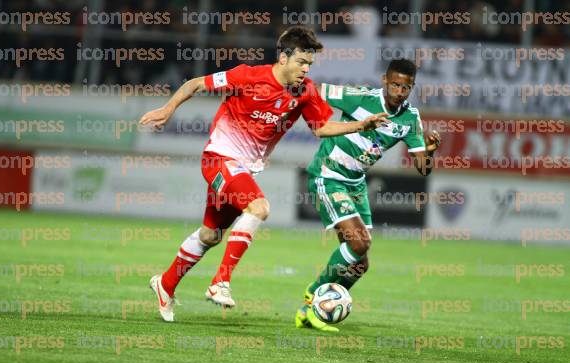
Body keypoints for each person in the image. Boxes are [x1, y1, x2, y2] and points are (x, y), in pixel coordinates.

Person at [139, 26, 388, 322]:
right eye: (301, 62)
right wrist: (168, 110)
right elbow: (195, 84)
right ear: (283, 58)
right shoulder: (248, 76)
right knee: (259, 208)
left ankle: (165, 285)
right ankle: (220, 282)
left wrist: (361, 125)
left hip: (244, 168)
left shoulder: (305, 92)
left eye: (309, 64)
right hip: (219, 157)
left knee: (210, 234)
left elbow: (322, 128)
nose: (306, 69)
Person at [295, 58, 441, 332]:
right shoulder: (359, 98)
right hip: (328, 175)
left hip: (356, 184)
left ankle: (310, 312)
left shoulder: (410, 119)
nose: (400, 91)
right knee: (359, 243)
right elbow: (312, 89)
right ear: (385, 81)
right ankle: (314, 294)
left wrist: (430, 152)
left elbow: (423, 168)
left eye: (406, 87)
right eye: (395, 84)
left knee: (359, 264)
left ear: (412, 88)